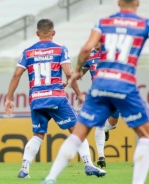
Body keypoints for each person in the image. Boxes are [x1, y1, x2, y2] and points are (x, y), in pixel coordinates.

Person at [42, 0, 149, 183]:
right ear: (138, 3)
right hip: (124, 82)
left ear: (118, 2)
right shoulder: (143, 23)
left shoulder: (104, 22)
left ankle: (51, 178)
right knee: (145, 136)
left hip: (100, 85)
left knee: (78, 133)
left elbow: (85, 49)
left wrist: (76, 71)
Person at [4, 18, 106, 179]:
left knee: (38, 135)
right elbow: (68, 74)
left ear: (37, 33)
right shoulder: (60, 49)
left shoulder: (28, 51)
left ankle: (24, 169)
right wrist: (79, 94)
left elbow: (17, 74)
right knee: (77, 130)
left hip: (36, 99)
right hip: (56, 98)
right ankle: (88, 165)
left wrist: (9, 98)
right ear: (54, 33)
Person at [81, 41, 119, 168]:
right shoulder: (90, 56)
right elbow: (80, 73)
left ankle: (106, 130)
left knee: (113, 123)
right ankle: (101, 157)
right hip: (97, 93)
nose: (95, 44)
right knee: (100, 125)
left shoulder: (113, 54)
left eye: (98, 41)